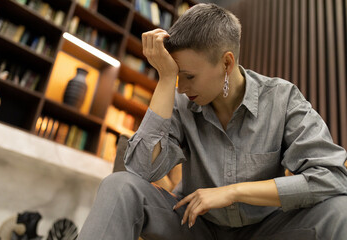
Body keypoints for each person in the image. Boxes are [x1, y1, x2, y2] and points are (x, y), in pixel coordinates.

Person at [77, 3, 347, 240]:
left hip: (267, 229)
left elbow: (333, 178)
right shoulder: (181, 102)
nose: (181, 87)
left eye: (189, 76)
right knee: (118, 186)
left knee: (340, 211)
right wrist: (165, 79)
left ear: (227, 64)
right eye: (176, 76)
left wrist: (234, 192)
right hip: (193, 226)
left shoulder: (282, 98)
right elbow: (138, 171)